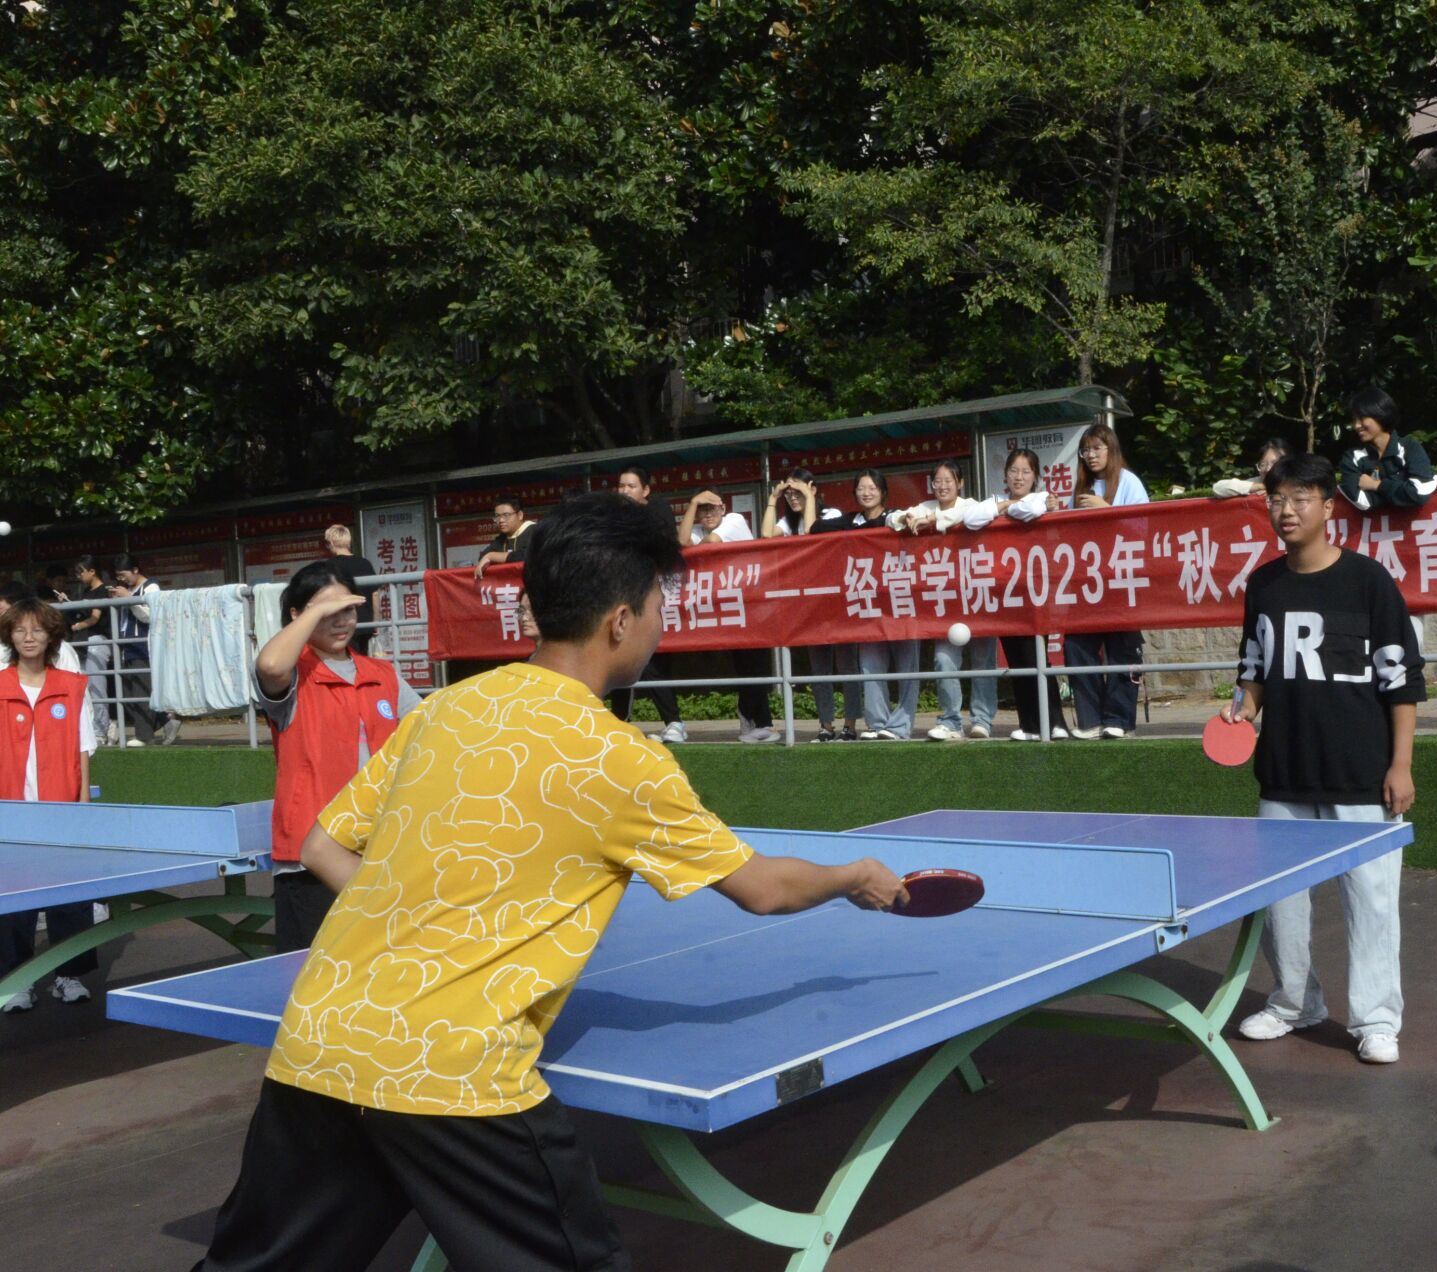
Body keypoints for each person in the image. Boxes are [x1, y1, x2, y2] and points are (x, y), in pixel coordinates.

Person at [192, 492, 908, 1271]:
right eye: (658, 606)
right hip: (455, 1072)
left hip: (320, 1039)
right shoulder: (620, 760)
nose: (661, 624)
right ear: (620, 621)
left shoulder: (444, 710)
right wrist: (854, 874)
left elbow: (323, 843)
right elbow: (763, 888)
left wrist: (416, 919)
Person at [1223, 453, 1423, 1066]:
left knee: (1371, 904)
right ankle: (1294, 1003)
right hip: (1283, 775)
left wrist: (1400, 765)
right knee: (1280, 905)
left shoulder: (1368, 582)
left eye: (1299, 499)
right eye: (1276, 499)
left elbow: (1402, 680)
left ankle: (1376, 1020)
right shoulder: (1263, 585)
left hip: (1361, 775)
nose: (1285, 510)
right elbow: (1254, 669)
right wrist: (1241, 711)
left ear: (1329, 507)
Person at [254, 559, 423, 953]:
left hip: (379, 851)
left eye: (347, 609)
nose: (341, 620)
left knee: (378, 965)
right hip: (310, 860)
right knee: (312, 973)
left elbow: (429, 732)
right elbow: (271, 664)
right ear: (297, 615)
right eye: (327, 611)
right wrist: (315, 613)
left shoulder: (383, 674)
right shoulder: (293, 675)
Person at [0, 597, 100, 1013]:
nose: (28, 637)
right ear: (10, 637)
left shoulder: (71, 687)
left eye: (37, 630)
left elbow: (83, 748)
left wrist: (83, 804)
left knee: (69, 895)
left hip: (62, 810)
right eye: (20, 630)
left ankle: (68, 975)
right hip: (10, 811)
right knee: (12, 899)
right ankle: (16, 979)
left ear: (51, 636)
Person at [966, 448, 1067, 740]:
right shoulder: (995, 500)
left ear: (1035, 476)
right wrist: (1004, 506)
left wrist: (1006, 509)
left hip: (1035, 593)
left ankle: (1056, 723)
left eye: (1025, 472)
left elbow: (1030, 511)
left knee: (1038, 659)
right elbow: (971, 518)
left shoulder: (1041, 497)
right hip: (1005, 595)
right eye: (1013, 471)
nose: (1019, 477)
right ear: (1005, 475)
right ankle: (1030, 726)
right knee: (1017, 662)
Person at [893, 460, 995, 740]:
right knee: (943, 660)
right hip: (945, 600)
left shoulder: (971, 505)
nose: (942, 486)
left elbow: (968, 515)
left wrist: (932, 521)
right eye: (937, 481)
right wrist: (905, 519)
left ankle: (982, 720)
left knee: (983, 661)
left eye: (948, 480)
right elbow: (893, 518)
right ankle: (951, 721)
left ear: (960, 483)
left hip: (976, 593)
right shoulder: (924, 507)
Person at [1065, 424, 1150, 739]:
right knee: (1076, 646)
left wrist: (1108, 510)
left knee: (1123, 648)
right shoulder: (1081, 488)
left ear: (1110, 449)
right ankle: (1089, 720)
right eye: (1086, 450)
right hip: (1087, 581)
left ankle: (1119, 719)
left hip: (1121, 579)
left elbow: (1143, 528)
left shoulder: (1129, 482)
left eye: (1097, 448)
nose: (1090, 455)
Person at [679, 490, 778, 744]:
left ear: (723, 509)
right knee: (744, 665)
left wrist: (694, 549)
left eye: (712, 508)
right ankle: (756, 721)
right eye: (703, 510)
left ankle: (758, 721)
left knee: (757, 664)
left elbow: (711, 542)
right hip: (727, 609)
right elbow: (682, 541)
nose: (708, 514)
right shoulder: (697, 530)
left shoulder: (734, 519)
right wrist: (693, 502)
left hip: (753, 605)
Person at [763, 469, 851, 742]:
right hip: (809, 605)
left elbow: (814, 533)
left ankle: (850, 725)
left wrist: (808, 497)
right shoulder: (789, 522)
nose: (792, 498)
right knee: (819, 668)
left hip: (837, 601)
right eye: (789, 494)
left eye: (797, 492)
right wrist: (773, 498)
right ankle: (826, 726)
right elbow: (766, 536)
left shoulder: (832, 514)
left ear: (812, 489)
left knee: (847, 665)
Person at [811, 468, 895, 741]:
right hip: (858, 602)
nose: (866, 493)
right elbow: (815, 529)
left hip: (893, 602)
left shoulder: (893, 517)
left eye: (872, 488)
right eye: (861, 488)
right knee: (866, 666)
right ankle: (870, 724)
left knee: (902, 668)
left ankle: (896, 725)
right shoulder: (850, 520)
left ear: (883, 491)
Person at [610, 468, 686, 743]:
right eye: (621, 486)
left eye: (631, 486)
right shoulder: (614, 515)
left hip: (651, 597)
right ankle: (619, 721)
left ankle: (674, 722)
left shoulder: (657, 510)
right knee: (618, 656)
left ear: (646, 490)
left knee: (649, 658)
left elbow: (665, 546)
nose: (624, 491)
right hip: (621, 596)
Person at [108, 553, 174, 746]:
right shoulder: (127, 589)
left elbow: (151, 616)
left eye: (124, 574)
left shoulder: (151, 586)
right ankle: (166, 721)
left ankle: (144, 736)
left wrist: (129, 599)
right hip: (126, 647)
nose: (121, 579)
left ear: (135, 570)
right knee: (127, 695)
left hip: (143, 646)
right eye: (118, 576)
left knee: (141, 692)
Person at [1336, 388, 1437, 512]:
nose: (1356, 425)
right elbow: (1363, 503)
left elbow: (1418, 493)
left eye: (1362, 418)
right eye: (1354, 419)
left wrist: (1376, 485)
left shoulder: (1411, 447)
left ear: (1380, 414)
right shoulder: (1351, 458)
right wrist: (1402, 485)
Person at [67, 556, 114, 742]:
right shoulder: (86, 591)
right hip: (84, 641)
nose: (78, 576)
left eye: (80, 572)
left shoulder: (103, 590)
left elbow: (94, 618)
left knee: (96, 686)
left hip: (97, 640)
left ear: (92, 571)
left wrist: (77, 626)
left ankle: (101, 730)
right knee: (85, 687)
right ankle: (94, 729)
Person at [324, 524, 378, 655]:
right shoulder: (365, 563)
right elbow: (375, 594)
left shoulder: (330, 566)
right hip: (366, 622)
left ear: (331, 542)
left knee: (346, 659)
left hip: (342, 623)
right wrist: (375, 622)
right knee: (362, 659)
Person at [471, 498, 537, 580]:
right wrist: (489, 556)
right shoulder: (502, 538)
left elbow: (529, 555)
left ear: (520, 515)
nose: (501, 520)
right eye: (497, 516)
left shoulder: (536, 531)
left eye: (506, 515)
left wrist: (491, 556)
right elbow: (483, 556)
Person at [1211, 438, 1290, 499]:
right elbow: (1218, 488)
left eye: (1274, 463)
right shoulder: (1258, 482)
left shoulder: (1294, 481)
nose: (1267, 469)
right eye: (1262, 464)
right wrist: (1260, 487)